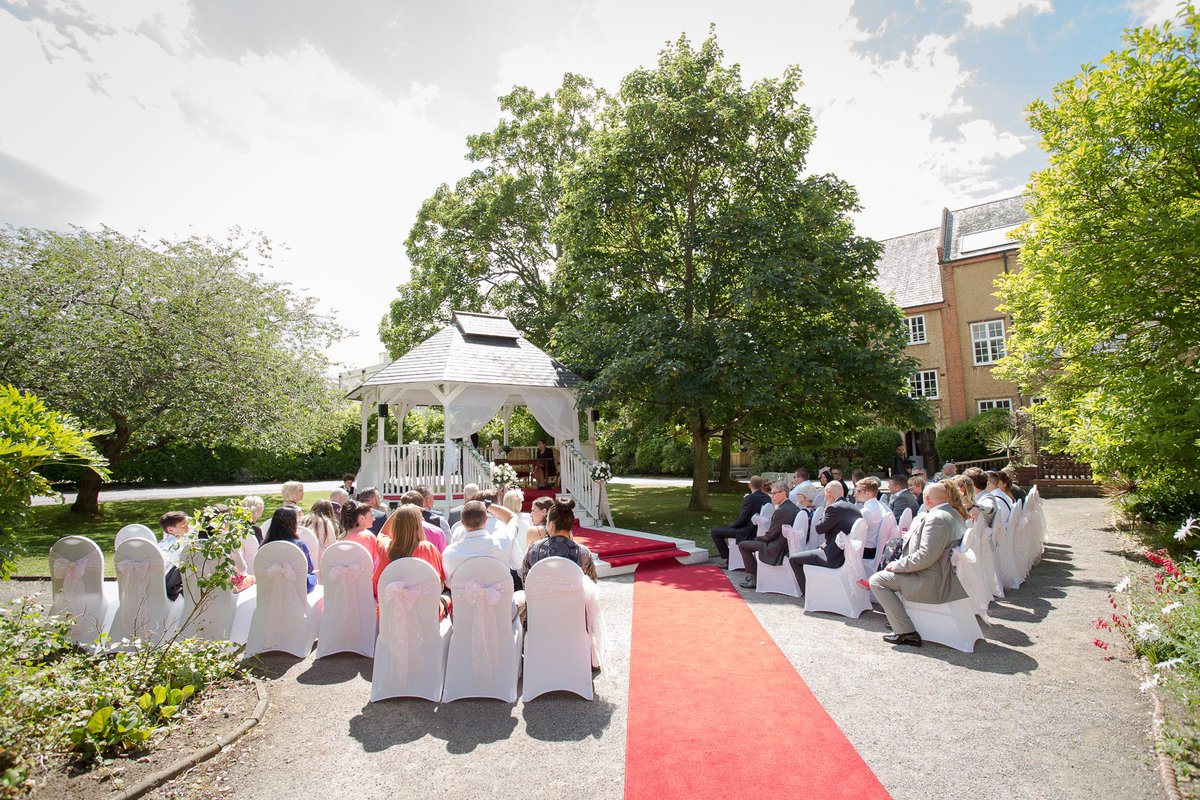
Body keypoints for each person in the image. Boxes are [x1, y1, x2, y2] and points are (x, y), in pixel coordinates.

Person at [868, 480, 968, 646]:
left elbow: (925, 556)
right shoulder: (954, 513)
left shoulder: (937, 518)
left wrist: (897, 565)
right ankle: (901, 620)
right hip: (941, 570)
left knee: (877, 581)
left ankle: (905, 631)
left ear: (927, 499)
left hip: (931, 576)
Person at [788, 481, 861, 595]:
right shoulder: (855, 508)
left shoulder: (834, 508)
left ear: (829, 493)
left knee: (793, 559)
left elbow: (819, 529)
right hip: (847, 555)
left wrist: (827, 508)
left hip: (832, 556)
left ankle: (808, 594)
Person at [373, 505, 444, 599]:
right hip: (424, 609)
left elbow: (383, 533)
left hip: (389, 609)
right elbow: (439, 584)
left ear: (395, 525)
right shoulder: (427, 548)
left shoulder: (385, 548)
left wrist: (399, 511)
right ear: (418, 525)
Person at [738, 481, 798, 589]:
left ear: (783, 493)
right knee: (749, 542)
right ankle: (755, 575)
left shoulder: (781, 511)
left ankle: (754, 578)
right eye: (771, 493)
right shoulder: (793, 507)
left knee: (743, 545)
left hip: (776, 547)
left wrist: (758, 538)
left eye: (775, 493)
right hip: (784, 544)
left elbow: (771, 535)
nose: (772, 496)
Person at [522, 498, 598, 582]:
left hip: (542, 593)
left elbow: (526, 580)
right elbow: (592, 582)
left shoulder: (534, 549)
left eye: (547, 520)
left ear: (551, 525)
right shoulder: (583, 552)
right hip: (573, 594)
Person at [441, 500, 513, 582]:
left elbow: (449, 583)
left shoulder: (449, 553)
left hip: (463, 595)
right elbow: (511, 517)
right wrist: (488, 505)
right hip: (501, 594)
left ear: (462, 522)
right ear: (486, 519)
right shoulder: (502, 541)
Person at [710, 475, 771, 565]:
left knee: (715, 532)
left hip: (747, 531)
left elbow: (743, 518)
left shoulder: (750, 497)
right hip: (758, 530)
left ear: (750, 485)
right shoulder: (767, 497)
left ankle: (728, 559)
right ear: (761, 485)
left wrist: (732, 526)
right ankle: (729, 559)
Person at [262, 506, 317, 593]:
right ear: (293, 524)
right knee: (312, 577)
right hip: (297, 587)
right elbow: (309, 568)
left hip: (270, 586)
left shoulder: (264, 546)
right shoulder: (299, 545)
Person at [340, 500, 383, 567]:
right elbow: (373, 563)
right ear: (362, 518)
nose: (374, 519)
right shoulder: (367, 536)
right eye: (372, 516)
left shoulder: (342, 536)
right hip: (364, 575)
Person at [854, 476, 888, 558]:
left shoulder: (866, 511)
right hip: (874, 549)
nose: (855, 494)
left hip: (866, 552)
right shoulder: (881, 506)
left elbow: (853, 534)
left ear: (868, 493)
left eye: (858, 491)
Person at [158, 510, 188, 601]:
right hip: (168, 586)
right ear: (170, 530)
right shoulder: (175, 545)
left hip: (160, 581)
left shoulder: (164, 542)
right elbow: (185, 568)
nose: (188, 528)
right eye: (184, 525)